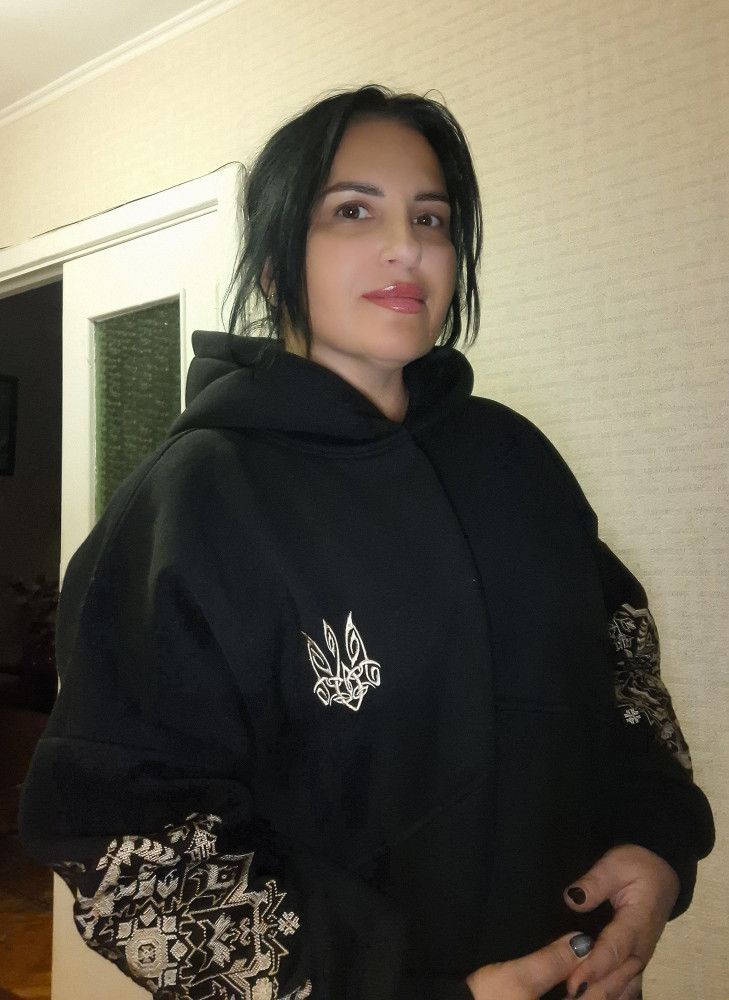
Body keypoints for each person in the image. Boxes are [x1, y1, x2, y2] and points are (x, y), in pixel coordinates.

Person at [19, 86, 713, 1000]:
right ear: (275, 265)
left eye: (431, 218)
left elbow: (622, 659)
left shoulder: (514, 457)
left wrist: (657, 847)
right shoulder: (193, 501)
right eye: (353, 211)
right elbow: (127, 853)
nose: (407, 247)